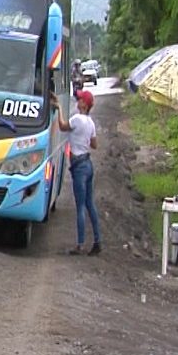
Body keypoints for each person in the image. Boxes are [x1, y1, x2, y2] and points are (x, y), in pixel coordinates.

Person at [51, 89, 101, 255]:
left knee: (80, 206)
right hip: (88, 164)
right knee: (89, 204)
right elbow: (94, 145)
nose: (77, 101)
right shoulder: (90, 123)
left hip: (79, 167)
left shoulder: (77, 119)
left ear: (84, 105)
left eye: (79, 99)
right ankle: (97, 240)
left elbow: (63, 126)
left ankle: (80, 244)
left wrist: (58, 107)